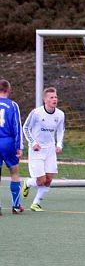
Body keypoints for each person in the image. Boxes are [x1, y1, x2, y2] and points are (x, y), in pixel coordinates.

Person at [21, 86, 65, 212]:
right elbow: (26, 128)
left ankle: (36, 204)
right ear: (45, 100)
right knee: (41, 181)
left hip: (50, 150)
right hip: (37, 150)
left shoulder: (60, 114)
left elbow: (61, 130)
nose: (54, 99)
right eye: (51, 97)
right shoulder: (36, 113)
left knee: (49, 179)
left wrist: (59, 144)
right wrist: (33, 142)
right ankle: (28, 183)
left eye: (55, 97)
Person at [0, 80, 25, 214]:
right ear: (9, 90)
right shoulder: (13, 105)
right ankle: (16, 206)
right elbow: (17, 126)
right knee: (14, 172)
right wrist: (19, 147)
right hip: (8, 142)